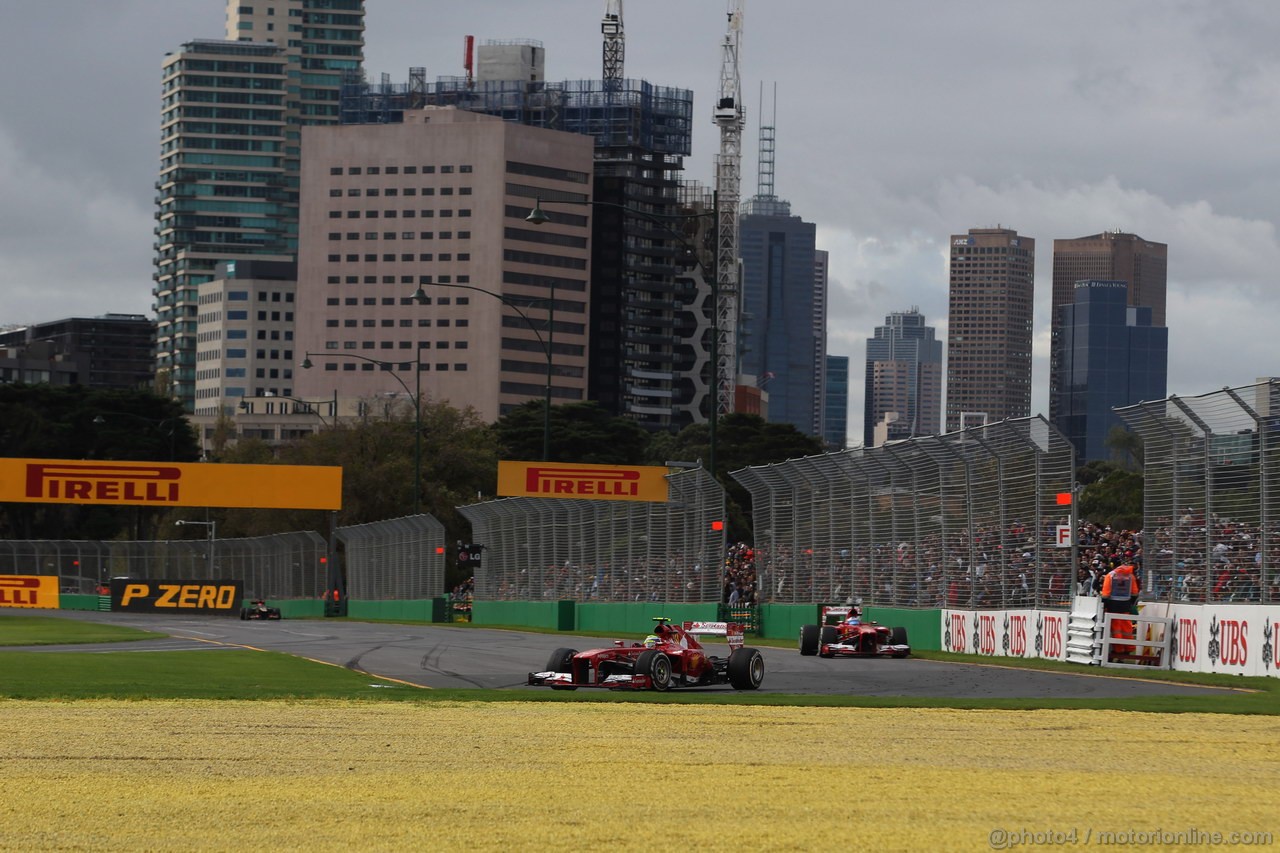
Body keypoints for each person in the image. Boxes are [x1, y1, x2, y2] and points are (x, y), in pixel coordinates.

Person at [1101, 560, 1141, 657]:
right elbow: (1135, 592)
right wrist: (1130, 602)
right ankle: (1129, 648)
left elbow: (1105, 593)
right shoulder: (1130, 576)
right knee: (1127, 627)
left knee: (1116, 629)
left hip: (1113, 604)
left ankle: (1118, 650)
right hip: (1126, 604)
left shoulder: (1110, 575)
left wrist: (1104, 604)